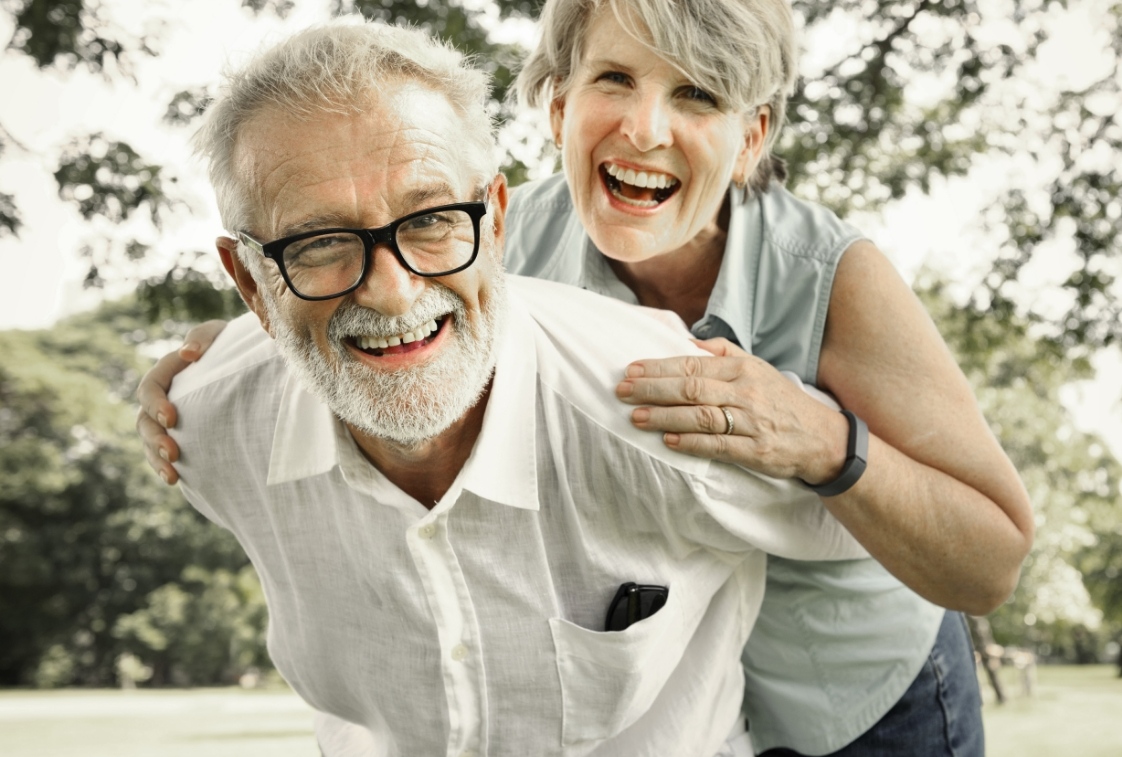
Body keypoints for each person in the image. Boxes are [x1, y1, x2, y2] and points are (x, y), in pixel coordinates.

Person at [138, 1, 1035, 755]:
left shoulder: (829, 273)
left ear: (752, 136)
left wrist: (824, 441)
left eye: (699, 92)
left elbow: (992, 556)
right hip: (677, 667)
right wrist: (253, 341)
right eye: (615, 80)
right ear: (556, 104)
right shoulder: (488, 235)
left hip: (855, 674)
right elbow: (364, 284)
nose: (645, 127)